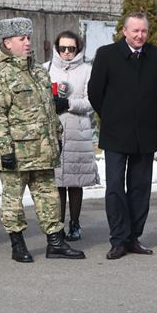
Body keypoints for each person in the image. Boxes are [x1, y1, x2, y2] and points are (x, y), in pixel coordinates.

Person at [0, 17, 85, 262]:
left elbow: (48, 109)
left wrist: (56, 137)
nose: (28, 42)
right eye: (22, 39)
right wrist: (4, 148)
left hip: (43, 149)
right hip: (16, 152)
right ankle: (18, 245)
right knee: (13, 200)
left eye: (29, 38)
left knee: (49, 197)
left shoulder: (39, 70)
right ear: (8, 42)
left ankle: (55, 243)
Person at [88, 11, 157, 260]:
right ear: (124, 31)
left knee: (140, 188)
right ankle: (118, 239)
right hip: (115, 133)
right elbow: (95, 93)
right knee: (114, 187)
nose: (140, 35)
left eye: (144, 31)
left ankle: (133, 237)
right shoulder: (107, 55)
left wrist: (142, 115)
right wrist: (113, 116)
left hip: (143, 134)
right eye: (135, 31)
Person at [44, 30, 99, 242]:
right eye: (63, 48)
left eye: (71, 48)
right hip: (54, 131)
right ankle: (57, 224)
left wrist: (69, 103)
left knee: (75, 182)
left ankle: (75, 223)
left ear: (78, 48)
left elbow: (91, 102)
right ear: (57, 49)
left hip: (78, 132)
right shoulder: (45, 69)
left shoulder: (87, 70)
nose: (67, 52)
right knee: (57, 182)